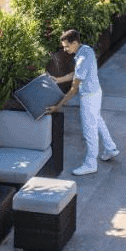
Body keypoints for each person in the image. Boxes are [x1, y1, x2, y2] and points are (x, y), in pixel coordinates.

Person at [45, 29, 118, 175]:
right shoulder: (86, 50)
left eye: (66, 46)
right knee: (97, 121)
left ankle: (91, 164)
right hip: (96, 92)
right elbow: (76, 74)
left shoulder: (82, 59)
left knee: (89, 131)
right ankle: (110, 148)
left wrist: (58, 106)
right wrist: (58, 79)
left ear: (75, 43)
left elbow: (73, 89)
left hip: (89, 97)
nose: (65, 50)